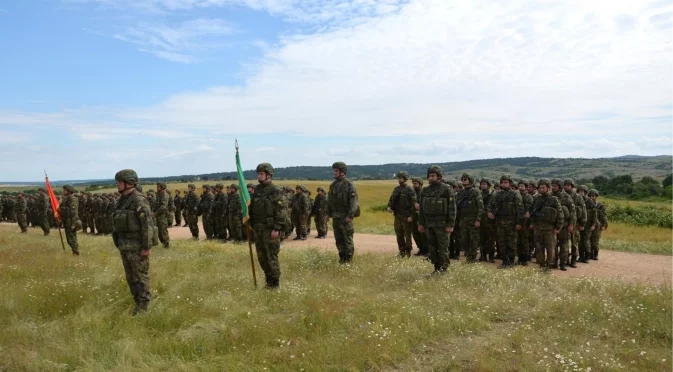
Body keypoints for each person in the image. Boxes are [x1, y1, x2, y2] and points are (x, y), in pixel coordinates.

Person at [111, 169, 157, 315]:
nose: (117, 184)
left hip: (137, 246)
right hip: (125, 245)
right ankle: (137, 303)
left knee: (140, 277)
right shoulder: (123, 199)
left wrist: (146, 247)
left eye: (119, 182)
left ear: (129, 182)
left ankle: (144, 308)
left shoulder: (139, 199)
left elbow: (147, 225)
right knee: (130, 277)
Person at [249, 163, 288, 288]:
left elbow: (282, 211)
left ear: (269, 175)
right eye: (258, 173)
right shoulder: (257, 190)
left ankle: (275, 283)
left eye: (261, 174)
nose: (258, 176)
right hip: (258, 229)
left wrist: (277, 228)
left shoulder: (275, 190)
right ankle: (268, 280)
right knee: (262, 257)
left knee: (272, 257)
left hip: (270, 229)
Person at [417, 165, 456, 274]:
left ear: (439, 176)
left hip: (442, 225)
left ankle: (444, 269)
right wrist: (420, 223)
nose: (430, 178)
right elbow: (422, 209)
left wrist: (450, 224)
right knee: (432, 248)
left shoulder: (446, 189)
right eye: (429, 176)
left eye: (433, 176)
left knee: (443, 248)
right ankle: (436, 269)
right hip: (429, 224)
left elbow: (452, 208)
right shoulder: (425, 190)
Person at [326, 161, 360, 263]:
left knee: (347, 239)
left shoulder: (349, 184)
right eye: (334, 170)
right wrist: (327, 214)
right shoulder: (333, 185)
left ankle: (348, 260)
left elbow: (354, 202)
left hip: (345, 217)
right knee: (339, 240)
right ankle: (342, 258)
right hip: (336, 217)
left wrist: (350, 216)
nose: (334, 172)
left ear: (342, 171)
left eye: (336, 170)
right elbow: (329, 201)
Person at [487, 175, 524, 268]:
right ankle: (504, 261)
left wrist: (519, 223)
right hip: (500, 223)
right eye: (503, 182)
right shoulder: (497, 195)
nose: (504, 184)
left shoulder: (515, 194)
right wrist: (489, 212)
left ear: (510, 183)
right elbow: (490, 205)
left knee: (511, 243)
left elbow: (520, 210)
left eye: (506, 182)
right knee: (502, 243)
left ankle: (510, 262)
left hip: (512, 223)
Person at [529, 179, 563, 271]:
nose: (541, 189)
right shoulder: (536, 199)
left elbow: (560, 215)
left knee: (550, 248)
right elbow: (532, 212)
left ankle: (548, 265)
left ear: (548, 188)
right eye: (540, 187)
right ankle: (541, 264)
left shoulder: (554, 199)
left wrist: (557, 227)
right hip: (538, 228)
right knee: (539, 247)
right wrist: (532, 223)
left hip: (549, 228)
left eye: (543, 187)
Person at [387, 171, 417, 257]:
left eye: (401, 178)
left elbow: (414, 204)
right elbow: (390, 200)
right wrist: (389, 207)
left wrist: (412, 216)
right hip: (397, 216)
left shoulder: (410, 190)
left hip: (406, 216)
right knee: (399, 235)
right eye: (398, 178)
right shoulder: (396, 189)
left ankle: (408, 251)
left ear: (405, 178)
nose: (399, 179)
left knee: (407, 235)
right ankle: (402, 251)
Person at [456, 173, 483, 263]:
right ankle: (468, 257)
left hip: (473, 219)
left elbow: (480, 207)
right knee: (464, 240)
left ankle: (472, 258)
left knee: (473, 240)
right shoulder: (461, 193)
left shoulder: (475, 192)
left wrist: (478, 220)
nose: (463, 181)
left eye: (465, 179)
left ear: (470, 180)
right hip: (463, 220)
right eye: (462, 179)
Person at [58, 185, 81, 255]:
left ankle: (76, 252)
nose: (63, 191)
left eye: (65, 190)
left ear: (69, 191)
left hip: (71, 222)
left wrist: (73, 224)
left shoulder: (73, 199)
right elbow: (62, 209)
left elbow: (73, 213)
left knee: (71, 239)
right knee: (69, 239)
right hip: (67, 221)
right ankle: (75, 251)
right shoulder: (67, 199)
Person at [410, 177, 428, 256]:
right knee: (415, 233)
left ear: (420, 184)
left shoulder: (425, 192)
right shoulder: (412, 193)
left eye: (416, 183)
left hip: (422, 217)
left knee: (424, 234)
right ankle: (420, 249)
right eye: (413, 183)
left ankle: (427, 250)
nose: (414, 185)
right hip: (414, 216)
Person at [589, 189, 607, 260]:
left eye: (593, 196)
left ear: (596, 196)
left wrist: (603, 225)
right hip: (589, 225)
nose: (591, 197)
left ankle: (595, 254)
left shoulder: (600, 206)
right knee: (588, 240)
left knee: (595, 241)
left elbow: (604, 216)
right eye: (590, 196)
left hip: (598, 225)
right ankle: (589, 254)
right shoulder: (588, 204)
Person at [153, 182, 170, 248]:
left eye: (158, 186)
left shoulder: (164, 195)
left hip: (162, 215)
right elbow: (156, 205)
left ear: (162, 187)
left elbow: (163, 206)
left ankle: (166, 244)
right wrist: (153, 211)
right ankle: (163, 243)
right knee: (159, 230)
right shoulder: (159, 194)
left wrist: (156, 213)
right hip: (158, 215)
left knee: (163, 230)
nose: (157, 188)